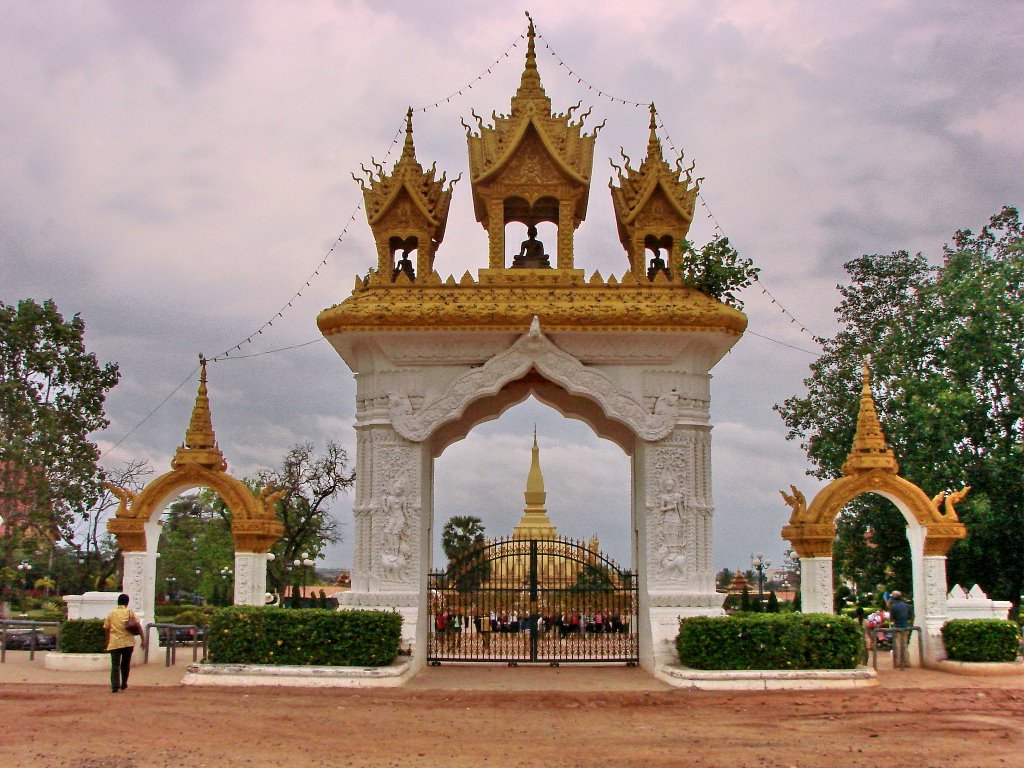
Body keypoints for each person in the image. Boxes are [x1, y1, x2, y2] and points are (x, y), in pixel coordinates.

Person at [103, 593, 144, 693]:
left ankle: (115, 686)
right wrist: (143, 639)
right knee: (125, 664)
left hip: (115, 642)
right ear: (127, 603)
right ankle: (124, 683)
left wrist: (107, 641)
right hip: (128, 642)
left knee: (115, 665)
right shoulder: (130, 612)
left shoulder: (111, 613)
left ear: (118, 602)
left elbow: (107, 628)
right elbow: (138, 626)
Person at [887, 591, 914, 669]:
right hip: (906, 627)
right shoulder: (906, 605)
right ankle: (907, 662)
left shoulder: (893, 607)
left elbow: (892, 618)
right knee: (905, 644)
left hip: (897, 627)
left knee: (898, 645)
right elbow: (911, 616)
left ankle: (899, 663)